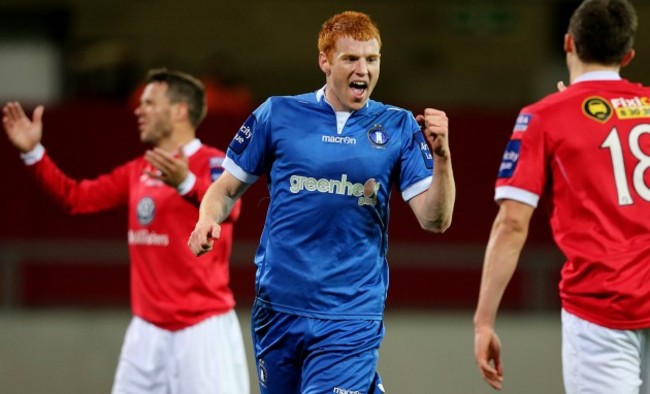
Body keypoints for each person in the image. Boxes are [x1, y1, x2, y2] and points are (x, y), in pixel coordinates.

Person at [188, 10, 455, 394]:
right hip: (278, 307)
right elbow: (226, 188)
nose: (363, 69)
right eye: (350, 59)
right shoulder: (277, 114)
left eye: (372, 59)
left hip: (350, 313)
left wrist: (443, 158)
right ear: (325, 61)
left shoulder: (398, 126)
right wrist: (205, 219)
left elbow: (436, 220)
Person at [2, 68, 250, 394]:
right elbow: (75, 198)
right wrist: (33, 152)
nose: (139, 109)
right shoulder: (138, 170)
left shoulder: (215, 163)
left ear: (179, 110)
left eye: (149, 102)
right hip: (146, 332)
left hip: (202, 330)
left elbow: (231, 210)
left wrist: (186, 183)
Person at [473, 1, 650, 392]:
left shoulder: (546, 117)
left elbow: (512, 222)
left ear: (568, 43)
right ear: (628, 55)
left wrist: (484, 320)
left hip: (600, 307)